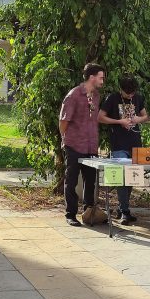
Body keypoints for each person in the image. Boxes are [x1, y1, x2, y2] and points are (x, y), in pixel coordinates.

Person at [59, 63, 104, 227]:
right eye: (101, 77)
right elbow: (63, 121)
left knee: (90, 181)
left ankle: (89, 212)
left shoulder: (96, 96)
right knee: (71, 181)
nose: (102, 81)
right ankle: (70, 214)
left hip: (91, 146)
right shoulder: (74, 95)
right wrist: (65, 140)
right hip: (74, 144)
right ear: (91, 77)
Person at [99, 77, 148, 225]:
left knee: (132, 176)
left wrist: (138, 120)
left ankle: (123, 209)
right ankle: (124, 210)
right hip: (118, 142)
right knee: (121, 177)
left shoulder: (138, 98)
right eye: (127, 94)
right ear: (120, 89)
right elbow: (100, 117)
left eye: (132, 93)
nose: (130, 96)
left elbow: (145, 116)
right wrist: (119, 122)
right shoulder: (112, 98)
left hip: (135, 142)